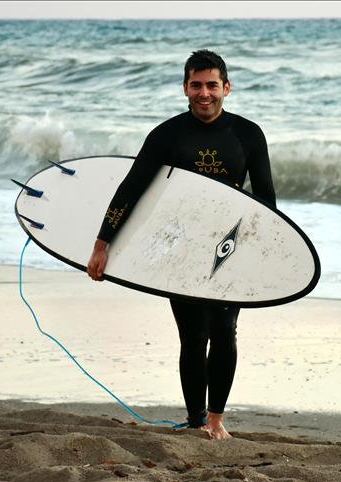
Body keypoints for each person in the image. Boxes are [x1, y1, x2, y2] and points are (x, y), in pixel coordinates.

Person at [86, 49, 276, 440]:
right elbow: (131, 190)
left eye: (211, 85)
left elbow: (267, 203)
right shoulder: (167, 135)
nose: (204, 93)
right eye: (196, 85)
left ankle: (216, 419)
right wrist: (102, 243)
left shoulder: (248, 134)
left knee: (225, 329)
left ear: (227, 87)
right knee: (193, 336)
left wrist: (265, 257)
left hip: (229, 249)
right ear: (184, 88)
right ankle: (195, 420)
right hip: (182, 249)